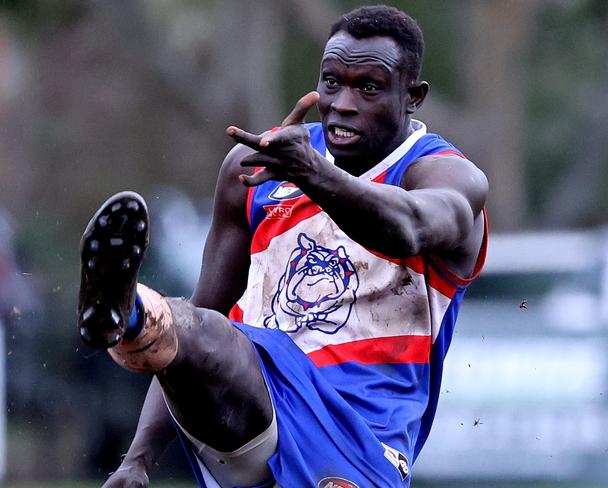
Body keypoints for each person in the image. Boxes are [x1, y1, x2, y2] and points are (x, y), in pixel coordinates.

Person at [78, 5, 488, 487]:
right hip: (256, 403)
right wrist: (139, 459)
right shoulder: (255, 169)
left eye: (369, 87)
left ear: (412, 96)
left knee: (216, 337)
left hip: (360, 443)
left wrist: (313, 173)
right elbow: (202, 316)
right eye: (332, 82)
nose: (343, 104)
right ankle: (124, 313)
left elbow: (408, 227)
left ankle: (130, 314)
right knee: (203, 329)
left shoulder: (447, 176)